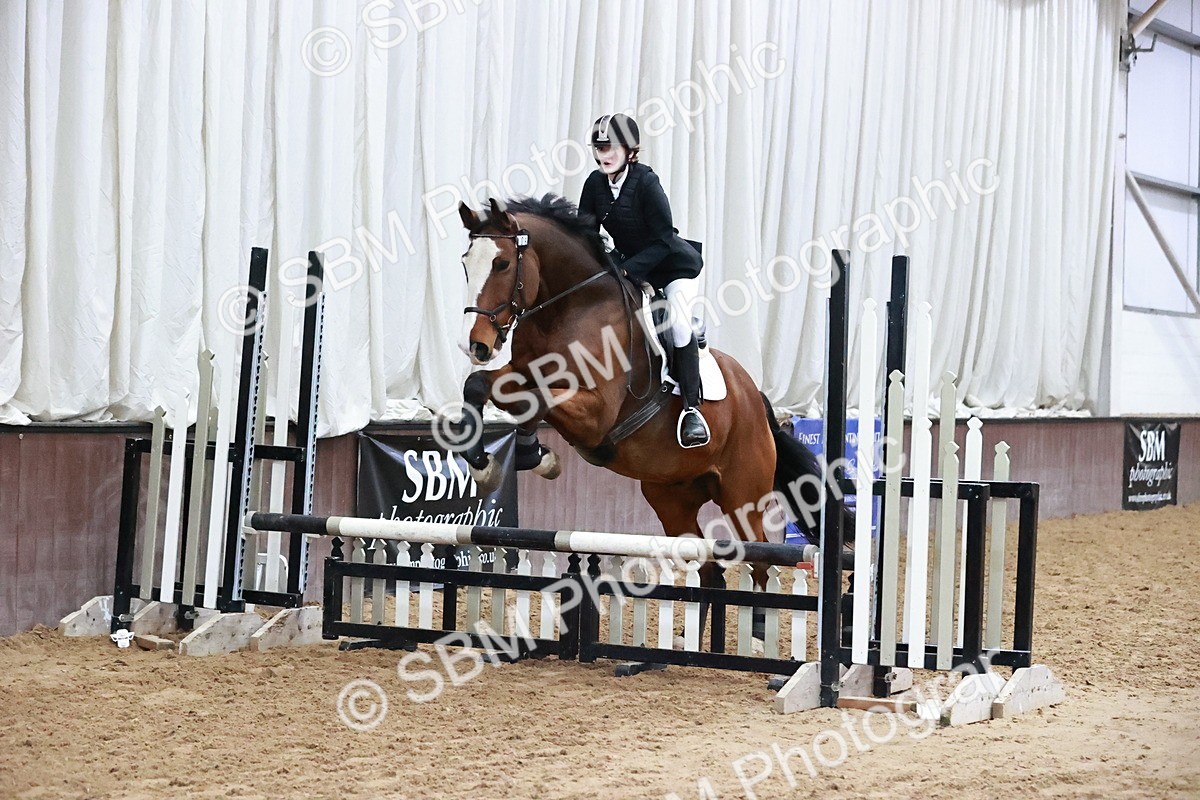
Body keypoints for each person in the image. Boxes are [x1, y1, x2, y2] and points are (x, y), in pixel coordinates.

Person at [578, 113, 710, 448]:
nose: (603, 155)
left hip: (672, 267)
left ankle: (692, 410)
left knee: (677, 326)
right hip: (630, 268)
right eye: (599, 147)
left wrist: (627, 270)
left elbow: (664, 238)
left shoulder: (647, 183)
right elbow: (586, 235)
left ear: (629, 150)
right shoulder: (595, 185)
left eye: (610, 148)